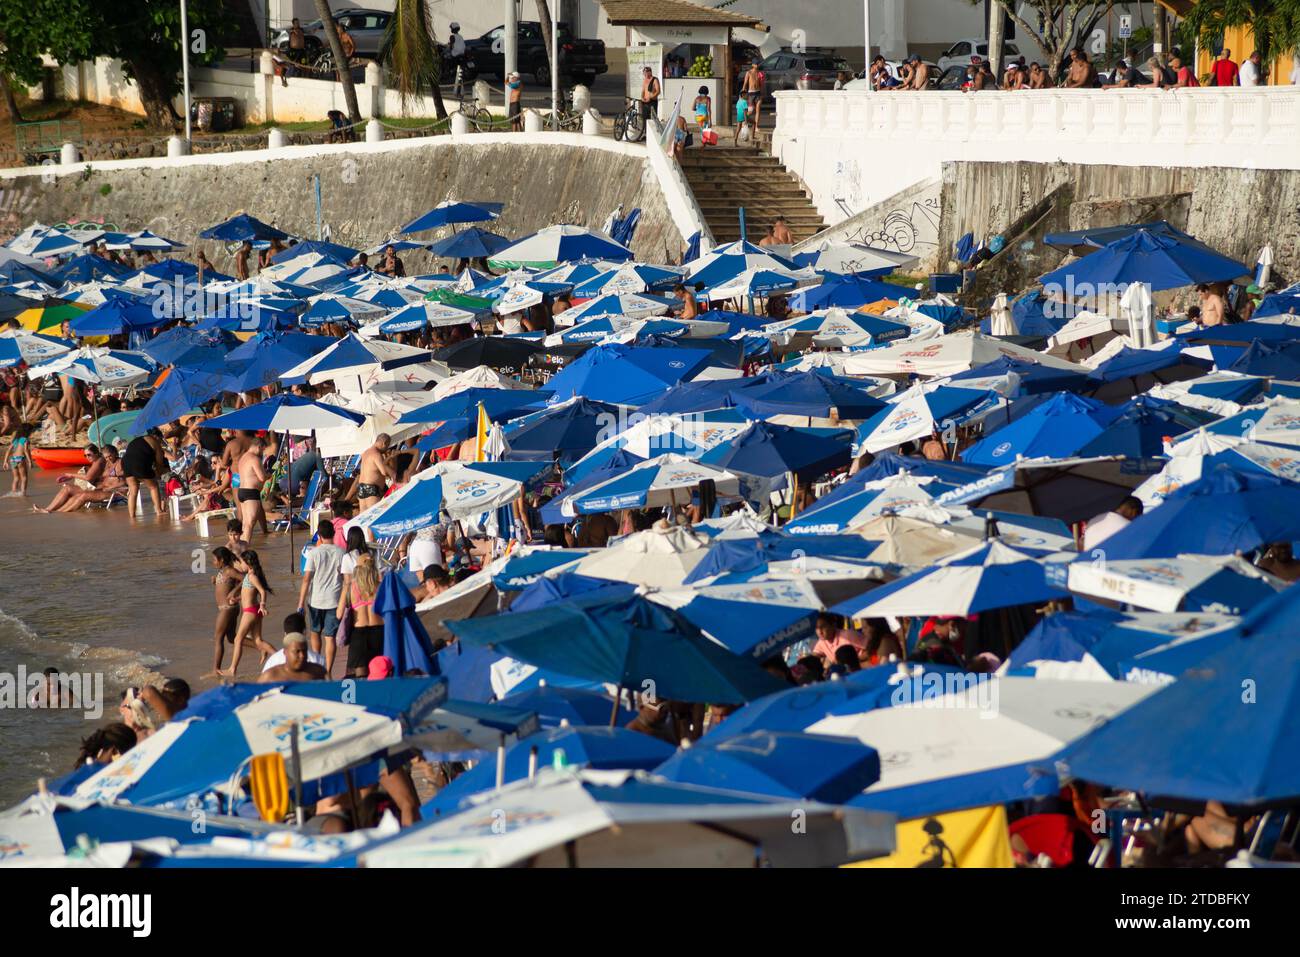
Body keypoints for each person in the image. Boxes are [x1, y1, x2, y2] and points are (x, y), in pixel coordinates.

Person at [298, 519, 345, 677]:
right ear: (333, 533)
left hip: (315, 600)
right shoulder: (341, 553)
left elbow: (306, 579)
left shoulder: (314, 553)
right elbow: (346, 579)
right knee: (330, 637)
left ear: (319, 535)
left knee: (315, 633)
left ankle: (317, 665)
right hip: (334, 601)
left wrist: (300, 603)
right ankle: (328, 671)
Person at [223, 549, 275, 677]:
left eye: (241, 562)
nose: (240, 565)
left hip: (251, 611)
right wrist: (237, 598)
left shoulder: (252, 576)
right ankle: (281, 658)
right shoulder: (250, 575)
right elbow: (248, 593)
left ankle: (232, 669)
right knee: (258, 641)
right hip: (254, 609)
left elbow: (262, 591)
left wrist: (263, 605)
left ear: (248, 563)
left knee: (237, 639)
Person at [341, 553, 384, 678]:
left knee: (360, 677)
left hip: (359, 634)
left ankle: (362, 697)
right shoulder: (381, 586)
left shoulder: (350, 587)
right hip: (379, 632)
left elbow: (339, 614)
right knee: (380, 672)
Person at [208, 545, 244, 676]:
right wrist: (215, 582)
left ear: (222, 560)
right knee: (232, 638)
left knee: (218, 638)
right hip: (228, 608)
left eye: (214, 559)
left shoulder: (229, 570)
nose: (213, 562)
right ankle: (260, 646)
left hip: (227, 609)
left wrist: (235, 591)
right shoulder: (222, 571)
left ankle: (215, 670)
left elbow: (246, 579)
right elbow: (225, 586)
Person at [122, 427, 166, 518]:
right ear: (156, 436)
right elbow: (159, 463)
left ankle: (132, 516)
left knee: (133, 490)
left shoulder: (137, 440)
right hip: (138, 462)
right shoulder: (154, 441)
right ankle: (159, 511)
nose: (161, 442)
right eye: (160, 439)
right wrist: (158, 474)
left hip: (125, 462)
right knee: (153, 486)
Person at [235, 433, 268, 541]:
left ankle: (240, 547)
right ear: (259, 447)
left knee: (245, 523)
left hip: (241, 491)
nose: (262, 453)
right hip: (251, 492)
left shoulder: (243, 457)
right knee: (249, 524)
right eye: (262, 450)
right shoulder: (254, 459)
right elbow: (262, 478)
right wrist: (271, 474)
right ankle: (244, 549)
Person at [259, 631, 327, 683]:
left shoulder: (318, 672)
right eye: (297, 651)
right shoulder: (270, 676)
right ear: (285, 652)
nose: (302, 655)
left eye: (304, 651)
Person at [357, 433, 394, 512]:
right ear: (384, 443)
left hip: (361, 487)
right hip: (372, 487)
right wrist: (390, 459)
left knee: (363, 516)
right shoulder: (376, 454)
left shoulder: (365, 452)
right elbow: (384, 472)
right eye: (387, 446)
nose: (387, 449)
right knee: (374, 514)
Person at [6, 424, 31, 496]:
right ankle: (23, 493)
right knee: (24, 477)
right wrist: (29, 461)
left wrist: (5, 461)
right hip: (20, 459)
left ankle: (13, 493)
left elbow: (8, 450)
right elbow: (26, 450)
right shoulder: (25, 439)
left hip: (13, 459)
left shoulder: (15, 440)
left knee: (16, 478)